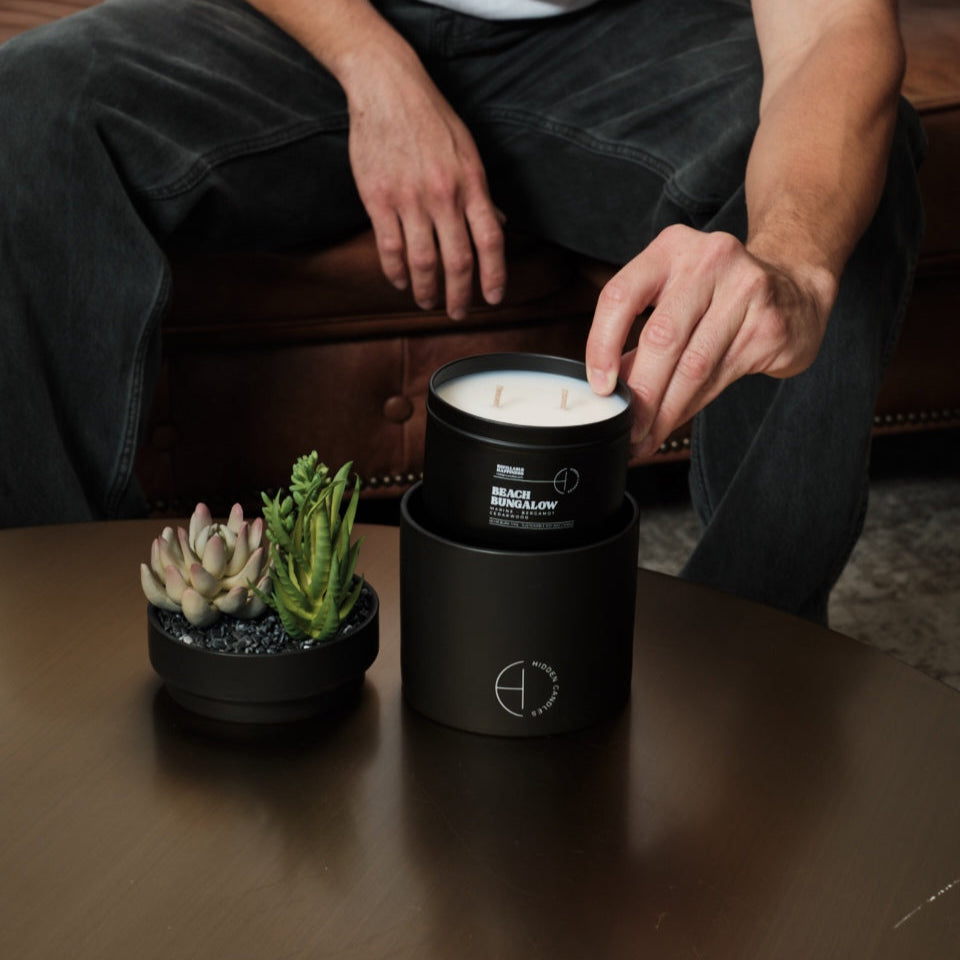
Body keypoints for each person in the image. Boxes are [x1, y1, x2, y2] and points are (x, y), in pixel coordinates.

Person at [0, 0, 924, 622]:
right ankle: (49, 632)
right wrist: (376, 68)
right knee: (31, 106)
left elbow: (833, 28)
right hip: (324, 29)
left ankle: (748, 660)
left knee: (842, 191)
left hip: (621, 42)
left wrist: (792, 259)